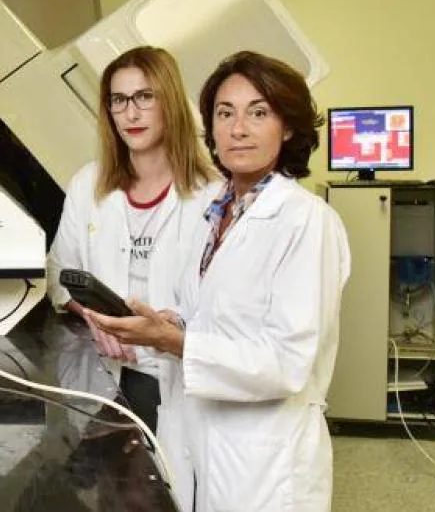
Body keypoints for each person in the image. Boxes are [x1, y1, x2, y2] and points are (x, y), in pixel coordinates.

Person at [91, 50, 351, 511]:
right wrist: (167, 322)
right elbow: (211, 315)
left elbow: (288, 362)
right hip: (200, 440)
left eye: (259, 112)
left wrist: (177, 342)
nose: (238, 129)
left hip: (265, 459)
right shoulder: (213, 212)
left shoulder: (306, 222)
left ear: (287, 126)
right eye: (224, 113)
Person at [46, 46, 218, 434]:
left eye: (144, 97)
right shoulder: (88, 185)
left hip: (177, 373)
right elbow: (58, 273)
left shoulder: (211, 195)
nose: (131, 113)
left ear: (169, 102)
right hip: (106, 375)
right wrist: (95, 317)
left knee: (177, 484)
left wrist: (167, 329)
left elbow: (222, 302)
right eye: (119, 100)